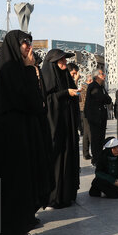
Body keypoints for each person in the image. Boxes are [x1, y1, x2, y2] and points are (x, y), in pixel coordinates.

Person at [0, 30, 53, 235]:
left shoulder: (18, 69)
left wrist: (31, 70)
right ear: (14, 45)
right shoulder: (7, 70)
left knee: (21, 186)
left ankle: (19, 229)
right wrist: (31, 69)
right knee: (9, 189)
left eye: (29, 43)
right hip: (7, 143)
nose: (28, 48)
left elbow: (35, 101)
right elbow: (30, 102)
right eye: (25, 44)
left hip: (19, 140)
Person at [42, 49, 80, 209]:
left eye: (65, 59)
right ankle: (54, 197)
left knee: (68, 157)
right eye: (61, 60)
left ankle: (67, 194)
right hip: (55, 127)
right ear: (53, 62)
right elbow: (48, 99)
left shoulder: (66, 77)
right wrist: (65, 93)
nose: (64, 62)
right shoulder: (47, 77)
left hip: (67, 127)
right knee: (56, 161)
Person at [84, 68, 112, 165]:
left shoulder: (102, 87)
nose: (104, 76)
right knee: (96, 139)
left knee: (100, 138)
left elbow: (108, 99)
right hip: (95, 117)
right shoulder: (94, 86)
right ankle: (95, 159)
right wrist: (105, 98)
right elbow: (101, 98)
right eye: (101, 74)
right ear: (97, 76)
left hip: (101, 117)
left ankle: (99, 157)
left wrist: (106, 98)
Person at [78, 74, 93, 160]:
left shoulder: (83, 87)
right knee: (88, 131)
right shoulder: (85, 88)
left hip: (84, 110)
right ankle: (87, 152)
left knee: (86, 133)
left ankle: (86, 152)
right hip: (85, 111)